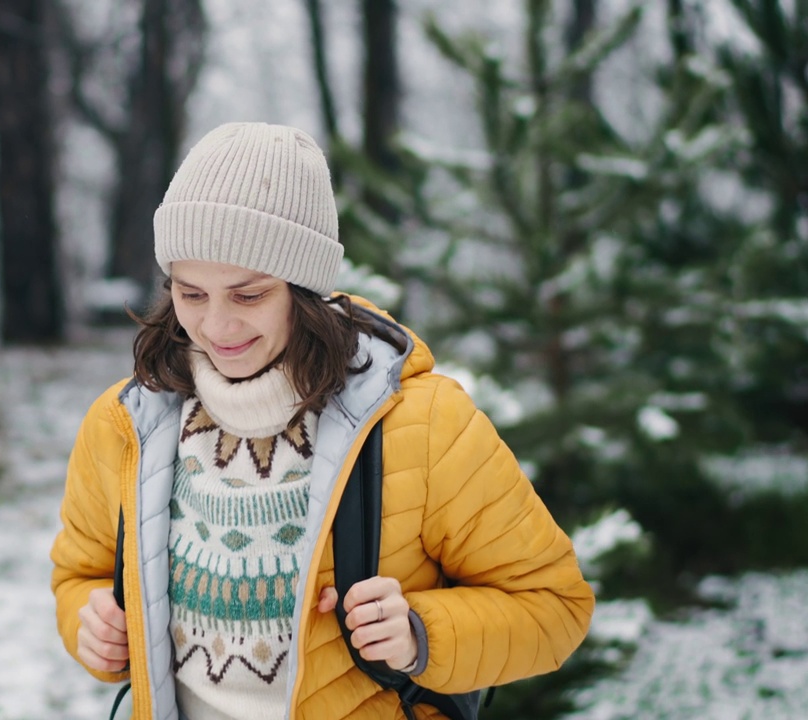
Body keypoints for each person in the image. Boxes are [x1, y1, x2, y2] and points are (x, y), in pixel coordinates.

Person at [50, 121, 594, 720]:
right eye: (191, 293)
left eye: (249, 294)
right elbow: (82, 572)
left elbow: (554, 607)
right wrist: (91, 622)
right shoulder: (127, 424)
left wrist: (420, 633)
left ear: (303, 287)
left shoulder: (426, 424)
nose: (216, 326)